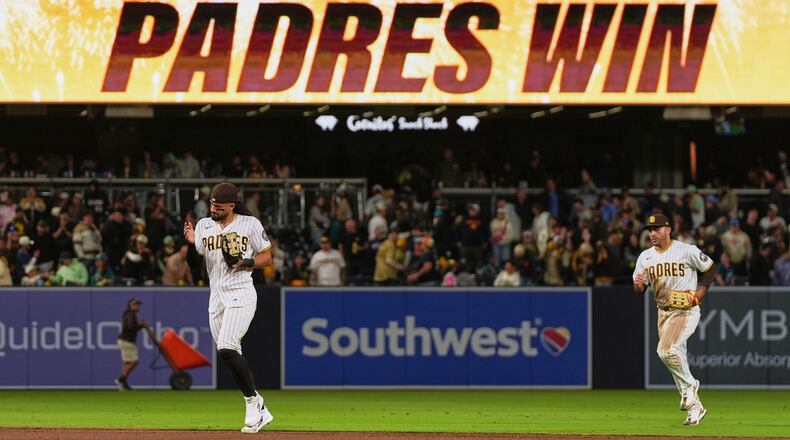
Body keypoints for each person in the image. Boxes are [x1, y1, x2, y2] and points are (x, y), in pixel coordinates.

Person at [183, 182, 274, 433]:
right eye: (212, 204)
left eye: (219, 206)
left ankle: (253, 406)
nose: (214, 209)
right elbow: (196, 260)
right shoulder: (204, 225)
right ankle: (259, 407)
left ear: (232, 206)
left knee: (226, 346)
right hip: (216, 296)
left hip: (241, 291)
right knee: (230, 357)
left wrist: (246, 261)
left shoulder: (249, 224)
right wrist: (192, 241)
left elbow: (267, 257)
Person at [633, 214, 715, 426]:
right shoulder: (645, 257)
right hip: (663, 312)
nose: (652, 233)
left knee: (665, 350)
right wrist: (640, 284)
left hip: (686, 310)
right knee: (676, 357)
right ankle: (696, 408)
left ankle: (690, 384)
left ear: (668, 229)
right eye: (650, 229)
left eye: (657, 229)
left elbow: (709, 268)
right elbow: (639, 288)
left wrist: (700, 293)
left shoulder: (686, 250)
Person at [115, 298, 149, 391]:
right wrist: (142, 325)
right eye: (136, 305)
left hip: (123, 340)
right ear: (131, 306)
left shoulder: (129, 314)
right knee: (135, 361)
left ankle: (123, 384)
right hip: (127, 341)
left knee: (127, 362)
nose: (138, 306)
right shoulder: (131, 315)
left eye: (139, 304)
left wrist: (140, 325)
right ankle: (121, 379)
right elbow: (131, 327)